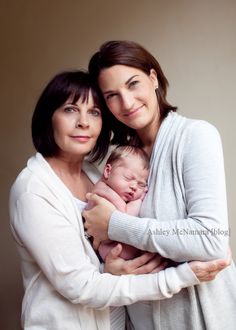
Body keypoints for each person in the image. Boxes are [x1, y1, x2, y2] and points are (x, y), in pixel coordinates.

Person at [9, 70, 227, 330]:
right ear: (49, 118)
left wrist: (203, 238)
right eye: (70, 110)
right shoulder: (33, 190)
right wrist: (180, 276)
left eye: (94, 112)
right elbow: (82, 286)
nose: (83, 122)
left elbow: (101, 262)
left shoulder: (93, 174)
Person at [83, 40, 236, 329]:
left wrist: (115, 224)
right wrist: (110, 269)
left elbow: (212, 239)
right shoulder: (122, 161)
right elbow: (106, 253)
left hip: (203, 318)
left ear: (153, 79)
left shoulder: (195, 136)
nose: (126, 103)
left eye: (133, 84)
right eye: (112, 95)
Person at [90, 145, 151, 261]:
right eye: (128, 178)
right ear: (108, 171)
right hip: (113, 253)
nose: (134, 187)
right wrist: (139, 199)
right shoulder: (103, 192)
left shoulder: (111, 190)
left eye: (141, 184)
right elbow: (124, 219)